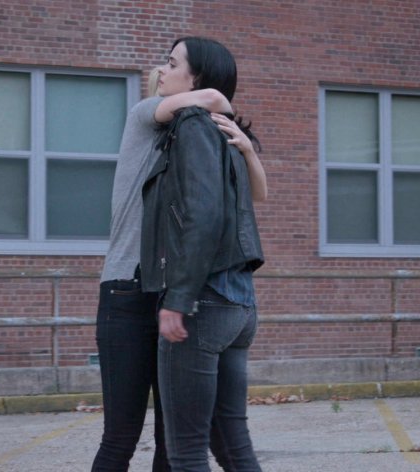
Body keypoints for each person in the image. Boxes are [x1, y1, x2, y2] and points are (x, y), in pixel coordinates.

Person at [92, 62, 267, 471]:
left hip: (172, 286)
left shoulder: (197, 139)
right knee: (121, 435)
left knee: (172, 437)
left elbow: (255, 196)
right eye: (162, 86)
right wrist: (214, 106)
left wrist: (245, 147)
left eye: (171, 68)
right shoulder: (144, 118)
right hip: (127, 287)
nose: (163, 86)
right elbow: (213, 98)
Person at [140, 36, 264, 471]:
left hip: (204, 301)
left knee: (187, 449)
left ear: (196, 79)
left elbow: (203, 214)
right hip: (239, 302)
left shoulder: (192, 125)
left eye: (172, 63)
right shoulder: (223, 131)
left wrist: (178, 298)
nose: (163, 69)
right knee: (233, 443)